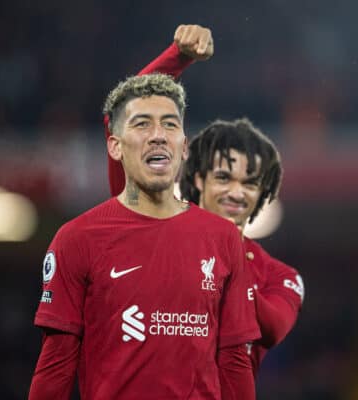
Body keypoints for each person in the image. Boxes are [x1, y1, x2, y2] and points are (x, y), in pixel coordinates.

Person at [29, 73, 260, 399]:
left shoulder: (223, 238)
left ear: (184, 146)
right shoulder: (77, 239)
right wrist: (177, 55)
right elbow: (56, 364)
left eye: (169, 124)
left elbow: (235, 359)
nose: (158, 136)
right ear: (114, 146)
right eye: (141, 124)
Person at [105, 25, 304, 397]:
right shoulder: (147, 228)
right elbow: (121, 115)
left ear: (264, 194)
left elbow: (274, 327)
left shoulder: (280, 275)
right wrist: (178, 58)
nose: (236, 193)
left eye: (250, 183)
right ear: (196, 178)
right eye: (223, 177)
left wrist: (222, 257)